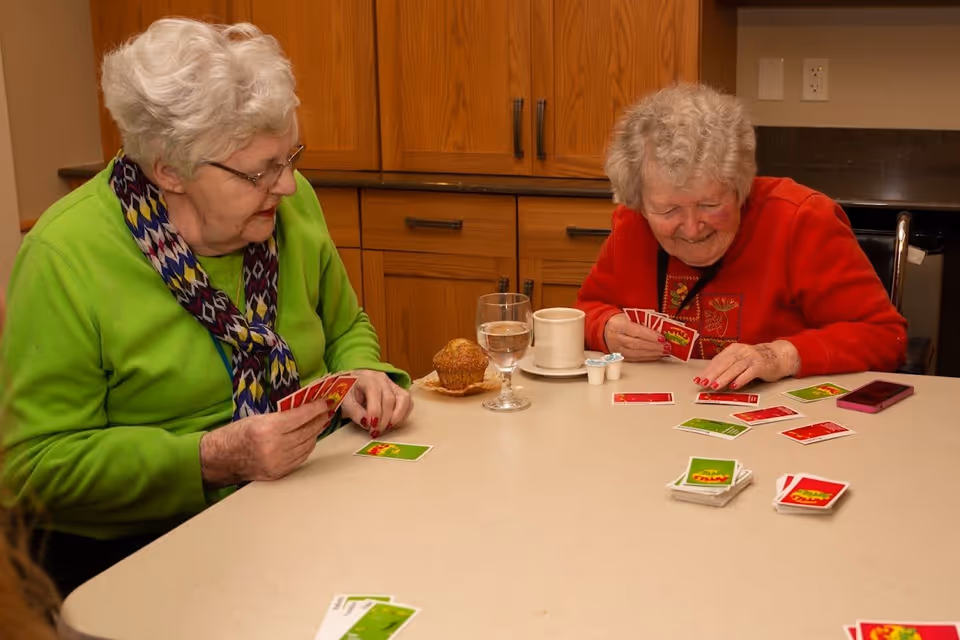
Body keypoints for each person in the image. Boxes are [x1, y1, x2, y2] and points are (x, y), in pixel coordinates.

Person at [0, 18, 413, 596]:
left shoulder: (289, 208)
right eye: (260, 170)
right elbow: (34, 469)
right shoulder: (65, 257)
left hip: (309, 503)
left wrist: (362, 372)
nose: (289, 185)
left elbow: (345, 326)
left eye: (289, 157)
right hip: (142, 555)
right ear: (169, 169)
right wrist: (213, 456)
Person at [576, 83, 907, 390]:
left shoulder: (802, 221)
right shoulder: (632, 226)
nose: (692, 229)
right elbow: (588, 309)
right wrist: (605, 328)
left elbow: (885, 338)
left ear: (741, 188)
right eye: (667, 211)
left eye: (710, 204)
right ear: (641, 204)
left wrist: (782, 355)